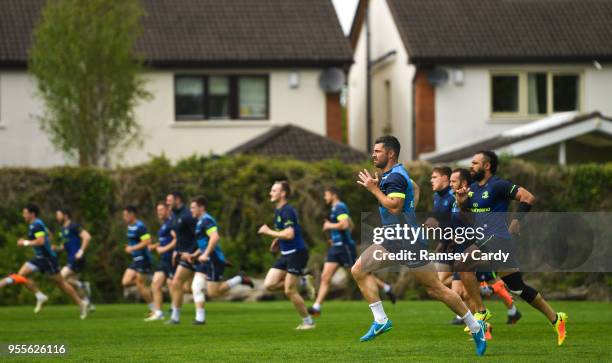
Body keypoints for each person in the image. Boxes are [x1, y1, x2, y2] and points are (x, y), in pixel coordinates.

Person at [351, 136, 486, 356]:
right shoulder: (397, 174)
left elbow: (395, 207)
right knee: (358, 269)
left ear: (391, 154)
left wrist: (373, 189)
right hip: (393, 238)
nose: (373, 155)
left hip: (406, 241)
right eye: (373, 151)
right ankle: (381, 320)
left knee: (436, 289)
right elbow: (413, 188)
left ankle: (475, 326)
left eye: (377, 151)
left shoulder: (394, 177)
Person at [454, 150, 567, 346]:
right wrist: (462, 201)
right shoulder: (472, 188)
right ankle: (556, 318)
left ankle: (481, 312)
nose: (471, 166)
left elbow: (528, 197)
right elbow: (468, 215)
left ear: (487, 166)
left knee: (463, 262)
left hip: (498, 240)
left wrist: (517, 221)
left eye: (475, 163)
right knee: (517, 288)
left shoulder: (499, 185)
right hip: (485, 241)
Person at [308, 186, 397, 317]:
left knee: (360, 271)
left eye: (326, 194)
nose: (325, 197)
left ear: (333, 195)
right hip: (335, 247)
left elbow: (344, 224)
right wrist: (335, 238)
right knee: (325, 277)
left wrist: (329, 226)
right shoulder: (334, 208)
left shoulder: (340, 207)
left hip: (345, 247)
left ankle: (385, 287)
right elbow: (350, 224)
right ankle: (317, 307)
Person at [0, 204, 89, 319]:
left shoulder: (36, 225)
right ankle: (40, 295)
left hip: (48, 259)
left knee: (60, 283)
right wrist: (47, 241)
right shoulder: (35, 225)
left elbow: (41, 241)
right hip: (40, 257)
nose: (23, 215)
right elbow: (47, 235)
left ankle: (81, 303)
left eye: (25, 213)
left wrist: (25, 243)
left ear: (32, 214)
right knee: (21, 275)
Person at [258, 181, 315, 330]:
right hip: (285, 254)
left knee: (289, 290)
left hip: (297, 253)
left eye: (274, 190)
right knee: (269, 284)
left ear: (283, 193)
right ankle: (302, 281)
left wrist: (269, 232)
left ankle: (308, 322)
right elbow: (286, 232)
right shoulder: (279, 210)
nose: (271, 193)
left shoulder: (287, 210)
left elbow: (290, 234)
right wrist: (277, 239)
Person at [189, 196, 254, 324]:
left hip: (213, 259)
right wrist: (196, 254)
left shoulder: (207, 220)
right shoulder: (199, 221)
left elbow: (214, 237)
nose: (191, 210)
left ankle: (239, 278)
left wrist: (206, 254)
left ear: (202, 208)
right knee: (196, 286)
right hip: (204, 259)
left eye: (193, 207)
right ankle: (200, 319)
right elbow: (204, 242)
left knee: (214, 293)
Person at [166, 191, 198, 324]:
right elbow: (179, 237)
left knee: (176, 282)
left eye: (169, 200)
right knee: (191, 288)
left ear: (177, 199)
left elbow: (198, 235)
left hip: (191, 255)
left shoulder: (188, 215)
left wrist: (190, 253)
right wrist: (176, 251)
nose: (167, 202)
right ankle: (237, 280)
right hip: (182, 254)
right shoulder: (174, 215)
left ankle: (175, 317)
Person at [54, 208, 94, 310]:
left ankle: (82, 286)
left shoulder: (74, 226)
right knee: (69, 282)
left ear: (66, 215)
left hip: (76, 259)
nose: (57, 217)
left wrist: (81, 251)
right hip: (70, 259)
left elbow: (87, 237)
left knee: (60, 278)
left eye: (59, 215)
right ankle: (87, 302)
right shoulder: (62, 230)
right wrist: (56, 248)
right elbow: (64, 247)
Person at [145, 201, 176, 321]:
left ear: (168, 210)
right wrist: (156, 246)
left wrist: (164, 249)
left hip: (171, 259)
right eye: (158, 210)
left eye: (161, 210)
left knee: (173, 285)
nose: (159, 213)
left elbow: (176, 239)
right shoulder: (164, 225)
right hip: (164, 260)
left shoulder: (171, 224)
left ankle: (175, 311)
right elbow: (166, 240)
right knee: (155, 284)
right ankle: (158, 313)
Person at [121, 206, 154, 312]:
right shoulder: (130, 227)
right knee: (125, 282)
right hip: (135, 259)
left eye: (126, 215)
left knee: (140, 285)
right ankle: (148, 281)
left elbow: (147, 241)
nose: (124, 217)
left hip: (143, 259)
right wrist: (129, 248)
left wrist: (132, 248)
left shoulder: (140, 226)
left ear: (132, 214)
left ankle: (154, 310)